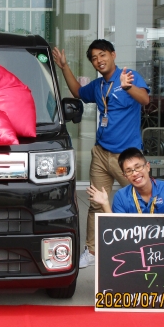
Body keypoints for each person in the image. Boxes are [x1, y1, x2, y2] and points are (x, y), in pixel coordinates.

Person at [52, 39, 150, 268]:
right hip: (101, 154)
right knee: (96, 204)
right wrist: (64, 66)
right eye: (94, 58)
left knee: (140, 202)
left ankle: (144, 250)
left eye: (102, 55)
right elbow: (77, 91)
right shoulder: (98, 86)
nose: (99, 60)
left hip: (128, 157)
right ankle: (92, 251)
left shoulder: (129, 76)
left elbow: (145, 99)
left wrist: (128, 87)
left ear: (113, 55)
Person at [86, 147, 164, 214]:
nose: (135, 173)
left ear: (147, 167)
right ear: (125, 176)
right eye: (129, 171)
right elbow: (115, 229)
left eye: (138, 167)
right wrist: (105, 204)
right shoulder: (121, 196)